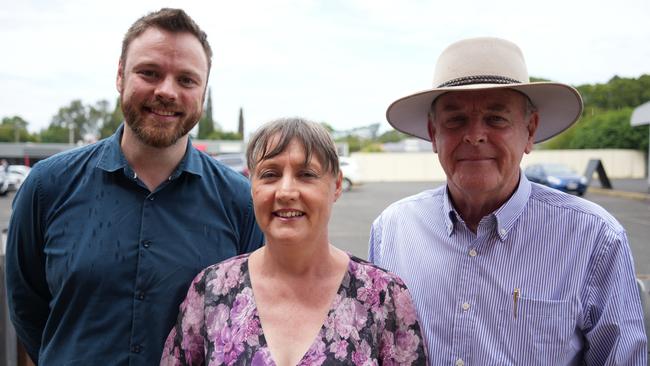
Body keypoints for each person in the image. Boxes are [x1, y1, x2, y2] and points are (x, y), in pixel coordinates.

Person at [6, 8, 263, 365]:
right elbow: (27, 310)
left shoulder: (240, 203)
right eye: (150, 73)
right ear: (120, 75)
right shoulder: (47, 187)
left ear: (203, 92)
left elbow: (248, 321)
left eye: (187, 80)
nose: (167, 91)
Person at [369, 37, 647, 364]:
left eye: (496, 119)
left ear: (530, 131)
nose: (474, 135)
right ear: (433, 134)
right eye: (455, 120)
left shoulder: (593, 238)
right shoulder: (392, 230)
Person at [160, 118, 428, 365]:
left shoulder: (383, 296)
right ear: (252, 186)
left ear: (336, 186)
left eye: (306, 174)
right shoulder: (211, 290)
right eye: (270, 174)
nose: (286, 191)